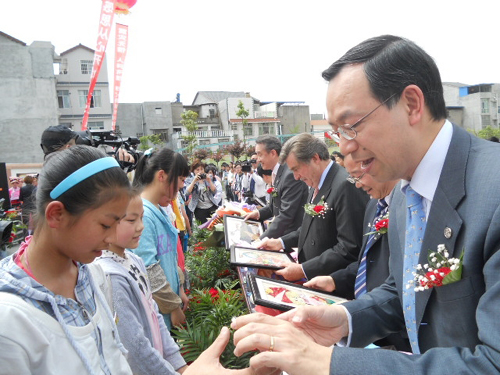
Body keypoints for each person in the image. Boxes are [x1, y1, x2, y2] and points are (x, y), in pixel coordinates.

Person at [231, 34, 500, 374]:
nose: (344, 148)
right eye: (336, 132)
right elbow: (404, 289)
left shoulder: (492, 192)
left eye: (351, 126)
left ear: (412, 105)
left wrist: (329, 363)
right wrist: (344, 318)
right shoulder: (404, 194)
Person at [0, 145, 133, 373]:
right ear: (57, 215)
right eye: (106, 225)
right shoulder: (9, 323)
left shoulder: (93, 274)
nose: (112, 238)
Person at [305, 155, 409, 351]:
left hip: (394, 328)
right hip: (367, 319)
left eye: (358, 176)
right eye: (353, 178)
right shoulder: (373, 206)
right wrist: (334, 280)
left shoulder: (405, 206)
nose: (358, 185)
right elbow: (366, 261)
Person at [95, 190, 189, 375]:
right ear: (105, 222)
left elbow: (154, 312)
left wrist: (179, 365)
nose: (141, 227)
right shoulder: (111, 276)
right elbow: (135, 347)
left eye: (142, 218)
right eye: (131, 220)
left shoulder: (134, 260)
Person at [256, 133, 368, 281]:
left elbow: (349, 247)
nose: (296, 177)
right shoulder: (315, 182)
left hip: (331, 280)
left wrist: (304, 270)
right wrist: (280, 242)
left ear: (315, 159)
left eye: (296, 169)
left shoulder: (345, 185)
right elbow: (309, 228)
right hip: (314, 276)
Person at [132, 148, 190, 330]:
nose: (181, 186)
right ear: (162, 176)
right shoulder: (143, 214)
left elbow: (170, 257)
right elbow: (149, 268)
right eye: (180, 179)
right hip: (158, 313)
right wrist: (173, 307)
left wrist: (179, 288)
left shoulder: (157, 209)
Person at [244, 135, 308, 239]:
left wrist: (260, 240)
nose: (258, 160)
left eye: (260, 155)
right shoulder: (277, 173)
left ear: (273, 153)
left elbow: (286, 215)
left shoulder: (289, 175)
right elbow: (274, 206)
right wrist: (258, 213)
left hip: (292, 237)